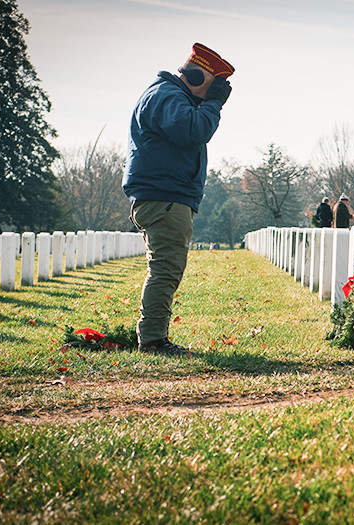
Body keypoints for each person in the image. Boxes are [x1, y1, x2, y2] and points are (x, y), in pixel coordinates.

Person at [122, 42, 233, 356]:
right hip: (164, 197)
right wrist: (213, 106)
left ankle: (153, 336)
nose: (209, 98)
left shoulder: (165, 95)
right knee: (166, 269)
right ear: (197, 79)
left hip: (165, 196)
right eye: (211, 89)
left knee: (166, 268)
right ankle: (153, 341)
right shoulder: (168, 97)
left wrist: (208, 103)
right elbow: (193, 131)